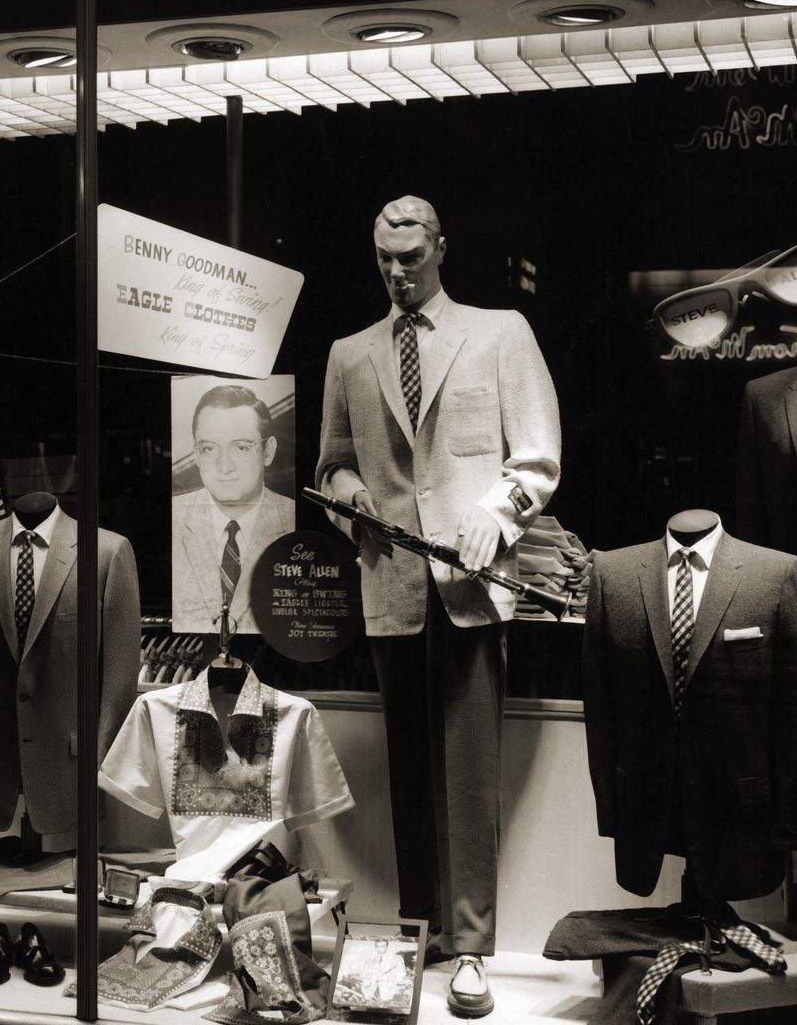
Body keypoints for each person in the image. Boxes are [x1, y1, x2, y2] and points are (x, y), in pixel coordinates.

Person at [315, 196, 561, 1018]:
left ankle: (473, 948)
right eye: (385, 259)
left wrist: (496, 515)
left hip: (469, 589)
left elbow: (537, 459)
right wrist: (350, 499)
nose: (397, 272)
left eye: (411, 258)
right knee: (409, 773)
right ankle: (417, 932)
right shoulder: (350, 353)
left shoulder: (501, 334)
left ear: (441, 249)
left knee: (469, 776)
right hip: (391, 586)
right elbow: (332, 465)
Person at [172, 385, 294, 634]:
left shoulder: (293, 519)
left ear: (268, 451)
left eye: (241, 447)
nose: (224, 466)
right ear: (196, 455)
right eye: (209, 449)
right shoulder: (172, 518)